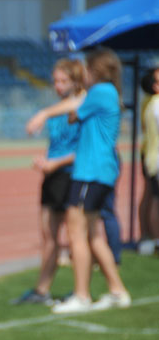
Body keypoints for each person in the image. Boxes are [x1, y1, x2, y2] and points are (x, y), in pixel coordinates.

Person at [26, 47, 130, 313]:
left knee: (76, 233)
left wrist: (43, 113)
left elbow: (74, 108)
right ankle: (117, 290)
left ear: (95, 70)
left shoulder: (102, 91)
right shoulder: (104, 95)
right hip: (96, 171)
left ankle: (81, 296)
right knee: (94, 236)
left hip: (91, 171)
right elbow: (75, 114)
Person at [13, 59, 84, 305]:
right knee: (48, 236)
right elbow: (57, 144)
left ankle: (80, 291)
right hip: (52, 176)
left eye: (64, 81)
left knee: (78, 236)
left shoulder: (81, 108)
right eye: (55, 81)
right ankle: (42, 290)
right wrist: (45, 161)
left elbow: (84, 148)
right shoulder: (56, 112)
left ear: (76, 81)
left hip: (72, 174)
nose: (58, 86)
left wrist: (58, 162)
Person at [137, 67, 159, 255]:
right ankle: (153, 238)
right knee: (154, 198)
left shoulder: (149, 102)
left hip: (150, 154)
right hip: (154, 155)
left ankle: (148, 236)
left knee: (150, 196)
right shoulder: (155, 103)